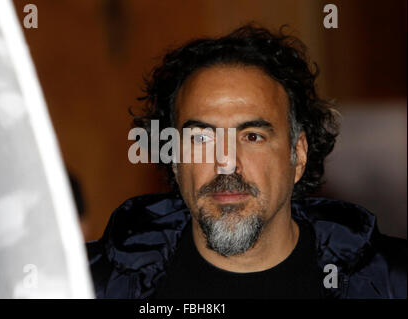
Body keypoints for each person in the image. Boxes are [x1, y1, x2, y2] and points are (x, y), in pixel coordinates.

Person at [86, 24, 407, 299]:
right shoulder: (85, 284)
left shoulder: (390, 283)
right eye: (201, 138)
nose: (226, 163)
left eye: (252, 136)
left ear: (298, 154)